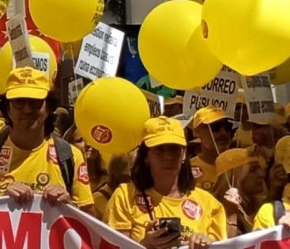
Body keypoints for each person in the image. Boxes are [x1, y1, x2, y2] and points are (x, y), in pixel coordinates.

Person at [0, 67, 94, 213]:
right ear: (7, 108)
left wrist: (69, 206)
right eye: (19, 102)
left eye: (35, 102)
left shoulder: (70, 156)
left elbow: (92, 224)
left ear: (48, 107)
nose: (27, 109)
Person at [105, 117, 225, 249]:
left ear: (184, 154)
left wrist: (205, 244)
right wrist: (146, 245)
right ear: (145, 156)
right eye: (159, 149)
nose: (168, 156)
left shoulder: (210, 204)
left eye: (174, 149)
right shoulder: (124, 197)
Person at [210, 149, 266, 237]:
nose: (261, 174)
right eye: (253, 170)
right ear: (234, 177)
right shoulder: (214, 211)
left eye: (260, 168)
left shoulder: (262, 205)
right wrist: (231, 214)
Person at [189, 107, 233, 192]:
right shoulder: (186, 171)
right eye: (215, 127)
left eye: (227, 126)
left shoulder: (241, 165)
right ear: (197, 132)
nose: (223, 132)